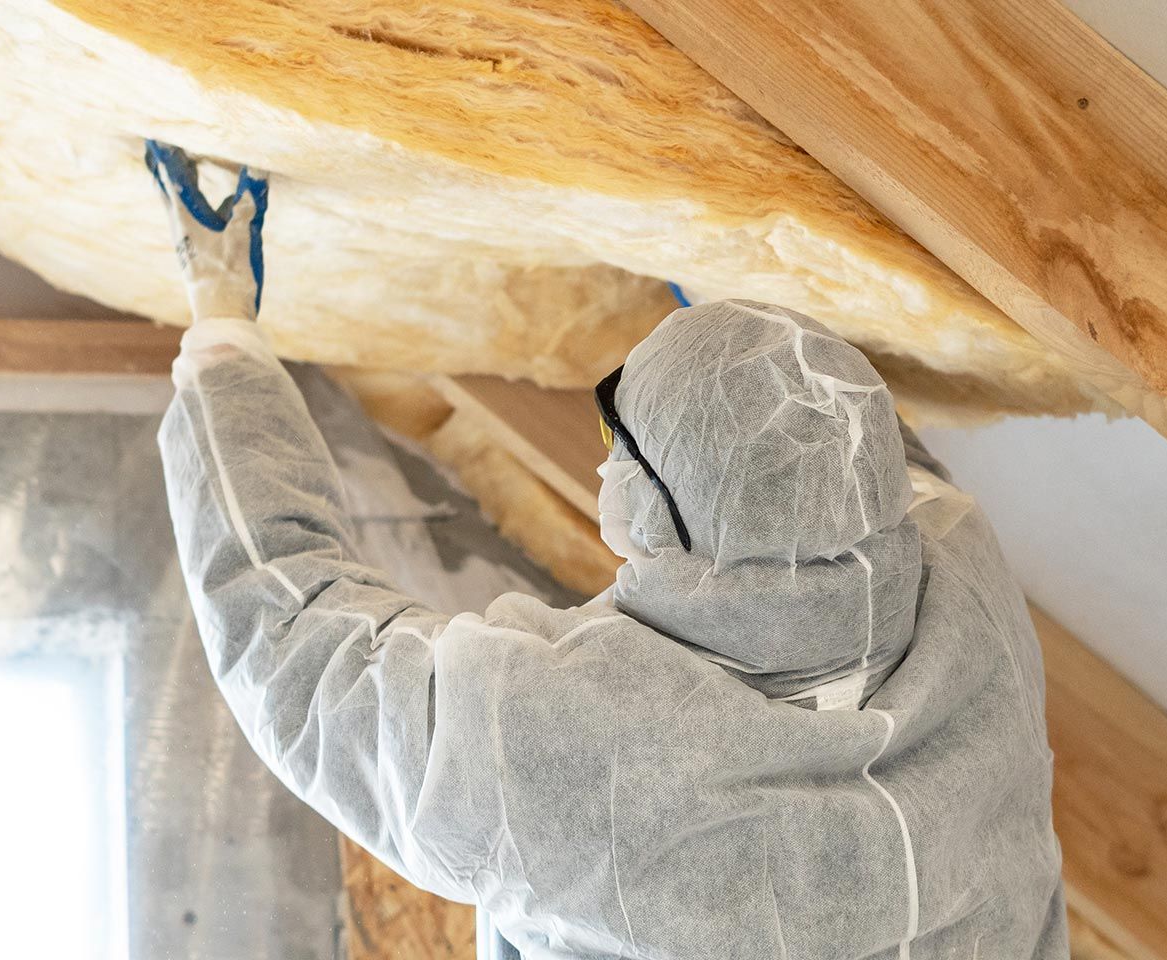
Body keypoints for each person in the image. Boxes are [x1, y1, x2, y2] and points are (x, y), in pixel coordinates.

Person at [147, 141, 1068, 959]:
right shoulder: (969, 585)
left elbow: (292, 637)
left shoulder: (565, 747)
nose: (602, 466)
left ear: (663, 507)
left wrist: (221, 327)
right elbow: (860, 463)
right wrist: (750, 346)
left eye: (617, 441)